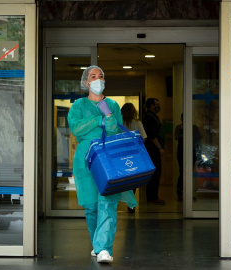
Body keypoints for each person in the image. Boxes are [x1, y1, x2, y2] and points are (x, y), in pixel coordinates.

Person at [67, 65, 137, 263]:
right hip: (86, 159)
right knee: (91, 206)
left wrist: (108, 117)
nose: (98, 80)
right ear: (86, 82)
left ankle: (104, 248)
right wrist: (99, 119)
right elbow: (76, 128)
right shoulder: (78, 105)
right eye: (93, 76)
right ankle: (96, 244)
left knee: (108, 202)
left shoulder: (112, 104)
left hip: (108, 158)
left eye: (101, 76)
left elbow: (114, 129)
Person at [121, 102, 147, 213]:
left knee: (123, 178)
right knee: (133, 179)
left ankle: (123, 200)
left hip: (121, 154)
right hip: (135, 154)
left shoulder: (119, 123)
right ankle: (131, 205)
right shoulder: (137, 123)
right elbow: (144, 138)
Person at [142, 98, 165, 205]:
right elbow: (152, 135)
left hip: (154, 149)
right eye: (156, 104)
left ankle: (154, 196)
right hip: (152, 149)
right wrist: (159, 148)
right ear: (151, 105)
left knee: (157, 173)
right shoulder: (148, 117)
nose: (157, 106)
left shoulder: (153, 116)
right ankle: (152, 197)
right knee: (155, 173)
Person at [174, 113, 202, 201]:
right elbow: (176, 136)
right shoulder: (179, 127)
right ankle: (180, 192)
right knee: (182, 171)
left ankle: (188, 193)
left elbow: (198, 139)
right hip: (181, 152)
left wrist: (199, 154)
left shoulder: (194, 128)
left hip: (192, 152)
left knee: (190, 172)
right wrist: (184, 132)